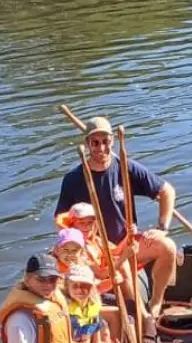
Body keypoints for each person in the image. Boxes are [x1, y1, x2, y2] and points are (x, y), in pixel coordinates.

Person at [53, 117, 179, 332]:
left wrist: (161, 227)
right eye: (95, 143)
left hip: (125, 241)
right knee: (122, 270)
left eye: (105, 141)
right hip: (95, 249)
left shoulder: (125, 167)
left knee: (168, 246)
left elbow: (166, 191)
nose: (101, 148)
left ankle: (156, 304)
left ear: (112, 141)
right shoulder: (73, 178)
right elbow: (62, 220)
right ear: (87, 144)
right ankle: (141, 319)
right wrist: (79, 250)